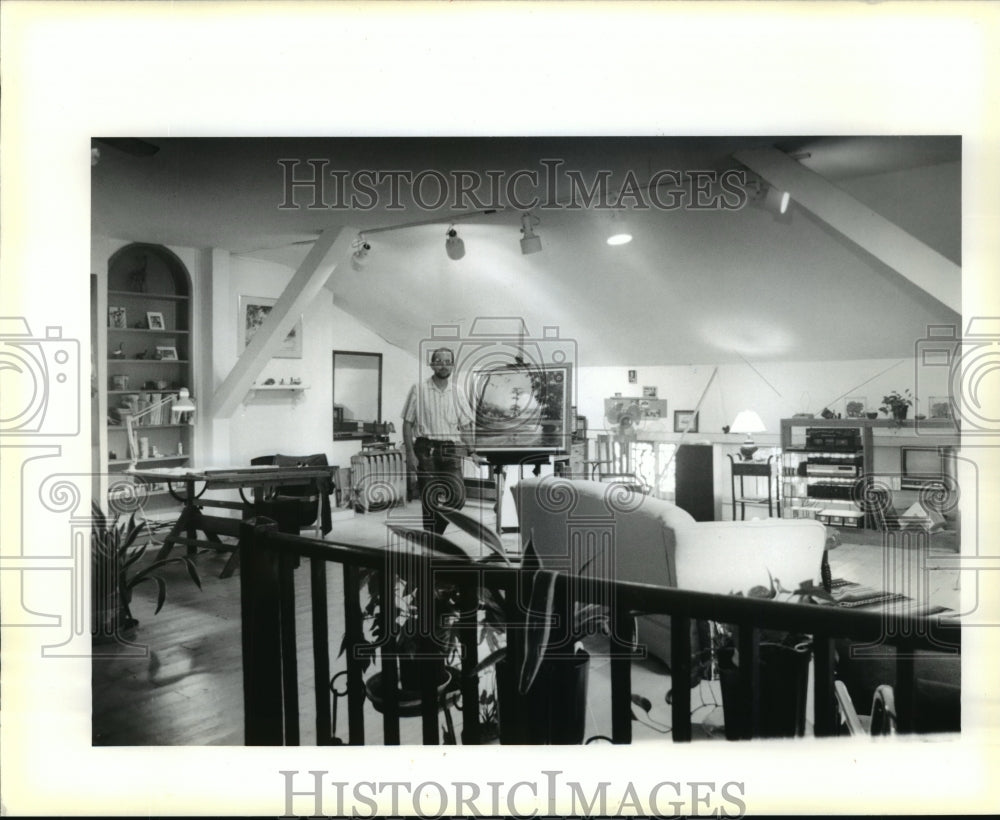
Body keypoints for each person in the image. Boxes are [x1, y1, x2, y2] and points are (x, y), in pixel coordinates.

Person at [402, 347, 469, 534]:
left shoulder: (458, 392)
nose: (443, 365)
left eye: (448, 361)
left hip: (450, 450)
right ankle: (432, 543)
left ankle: (433, 533)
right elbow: (407, 424)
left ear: (453, 365)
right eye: (439, 361)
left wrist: (473, 451)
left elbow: (465, 426)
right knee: (430, 499)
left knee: (458, 497)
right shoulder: (419, 389)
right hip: (425, 449)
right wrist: (410, 453)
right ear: (432, 364)